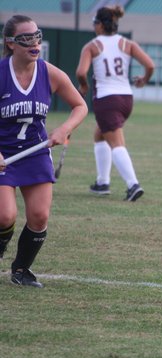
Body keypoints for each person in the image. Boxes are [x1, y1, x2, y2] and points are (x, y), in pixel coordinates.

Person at [0, 15, 88, 287]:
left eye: (37, 36)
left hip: (35, 153)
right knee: (5, 215)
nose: (34, 43)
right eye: (26, 38)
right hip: (4, 156)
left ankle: (21, 270)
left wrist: (64, 129)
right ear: (11, 43)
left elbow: (80, 106)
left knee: (39, 216)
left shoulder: (50, 73)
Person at [75, 5, 154, 201]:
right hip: (126, 99)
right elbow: (150, 65)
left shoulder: (92, 46)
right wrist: (143, 80)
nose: (95, 27)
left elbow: (80, 72)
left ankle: (132, 185)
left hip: (106, 100)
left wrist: (83, 86)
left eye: (95, 23)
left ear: (101, 25)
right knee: (99, 134)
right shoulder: (128, 43)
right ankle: (102, 182)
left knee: (116, 143)